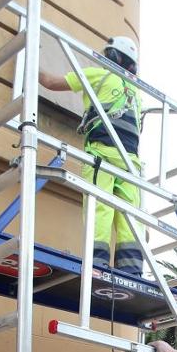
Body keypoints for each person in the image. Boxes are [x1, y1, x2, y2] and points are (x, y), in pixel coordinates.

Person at [39, 37, 144, 276]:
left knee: (100, 208)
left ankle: (97, 263)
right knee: (130, 216)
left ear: (113, 58)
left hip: (103, 154)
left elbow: (50, 83)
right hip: (130, 163)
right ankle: (132, 270)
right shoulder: (136, 92)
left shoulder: (99, 76)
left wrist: (30, 58)